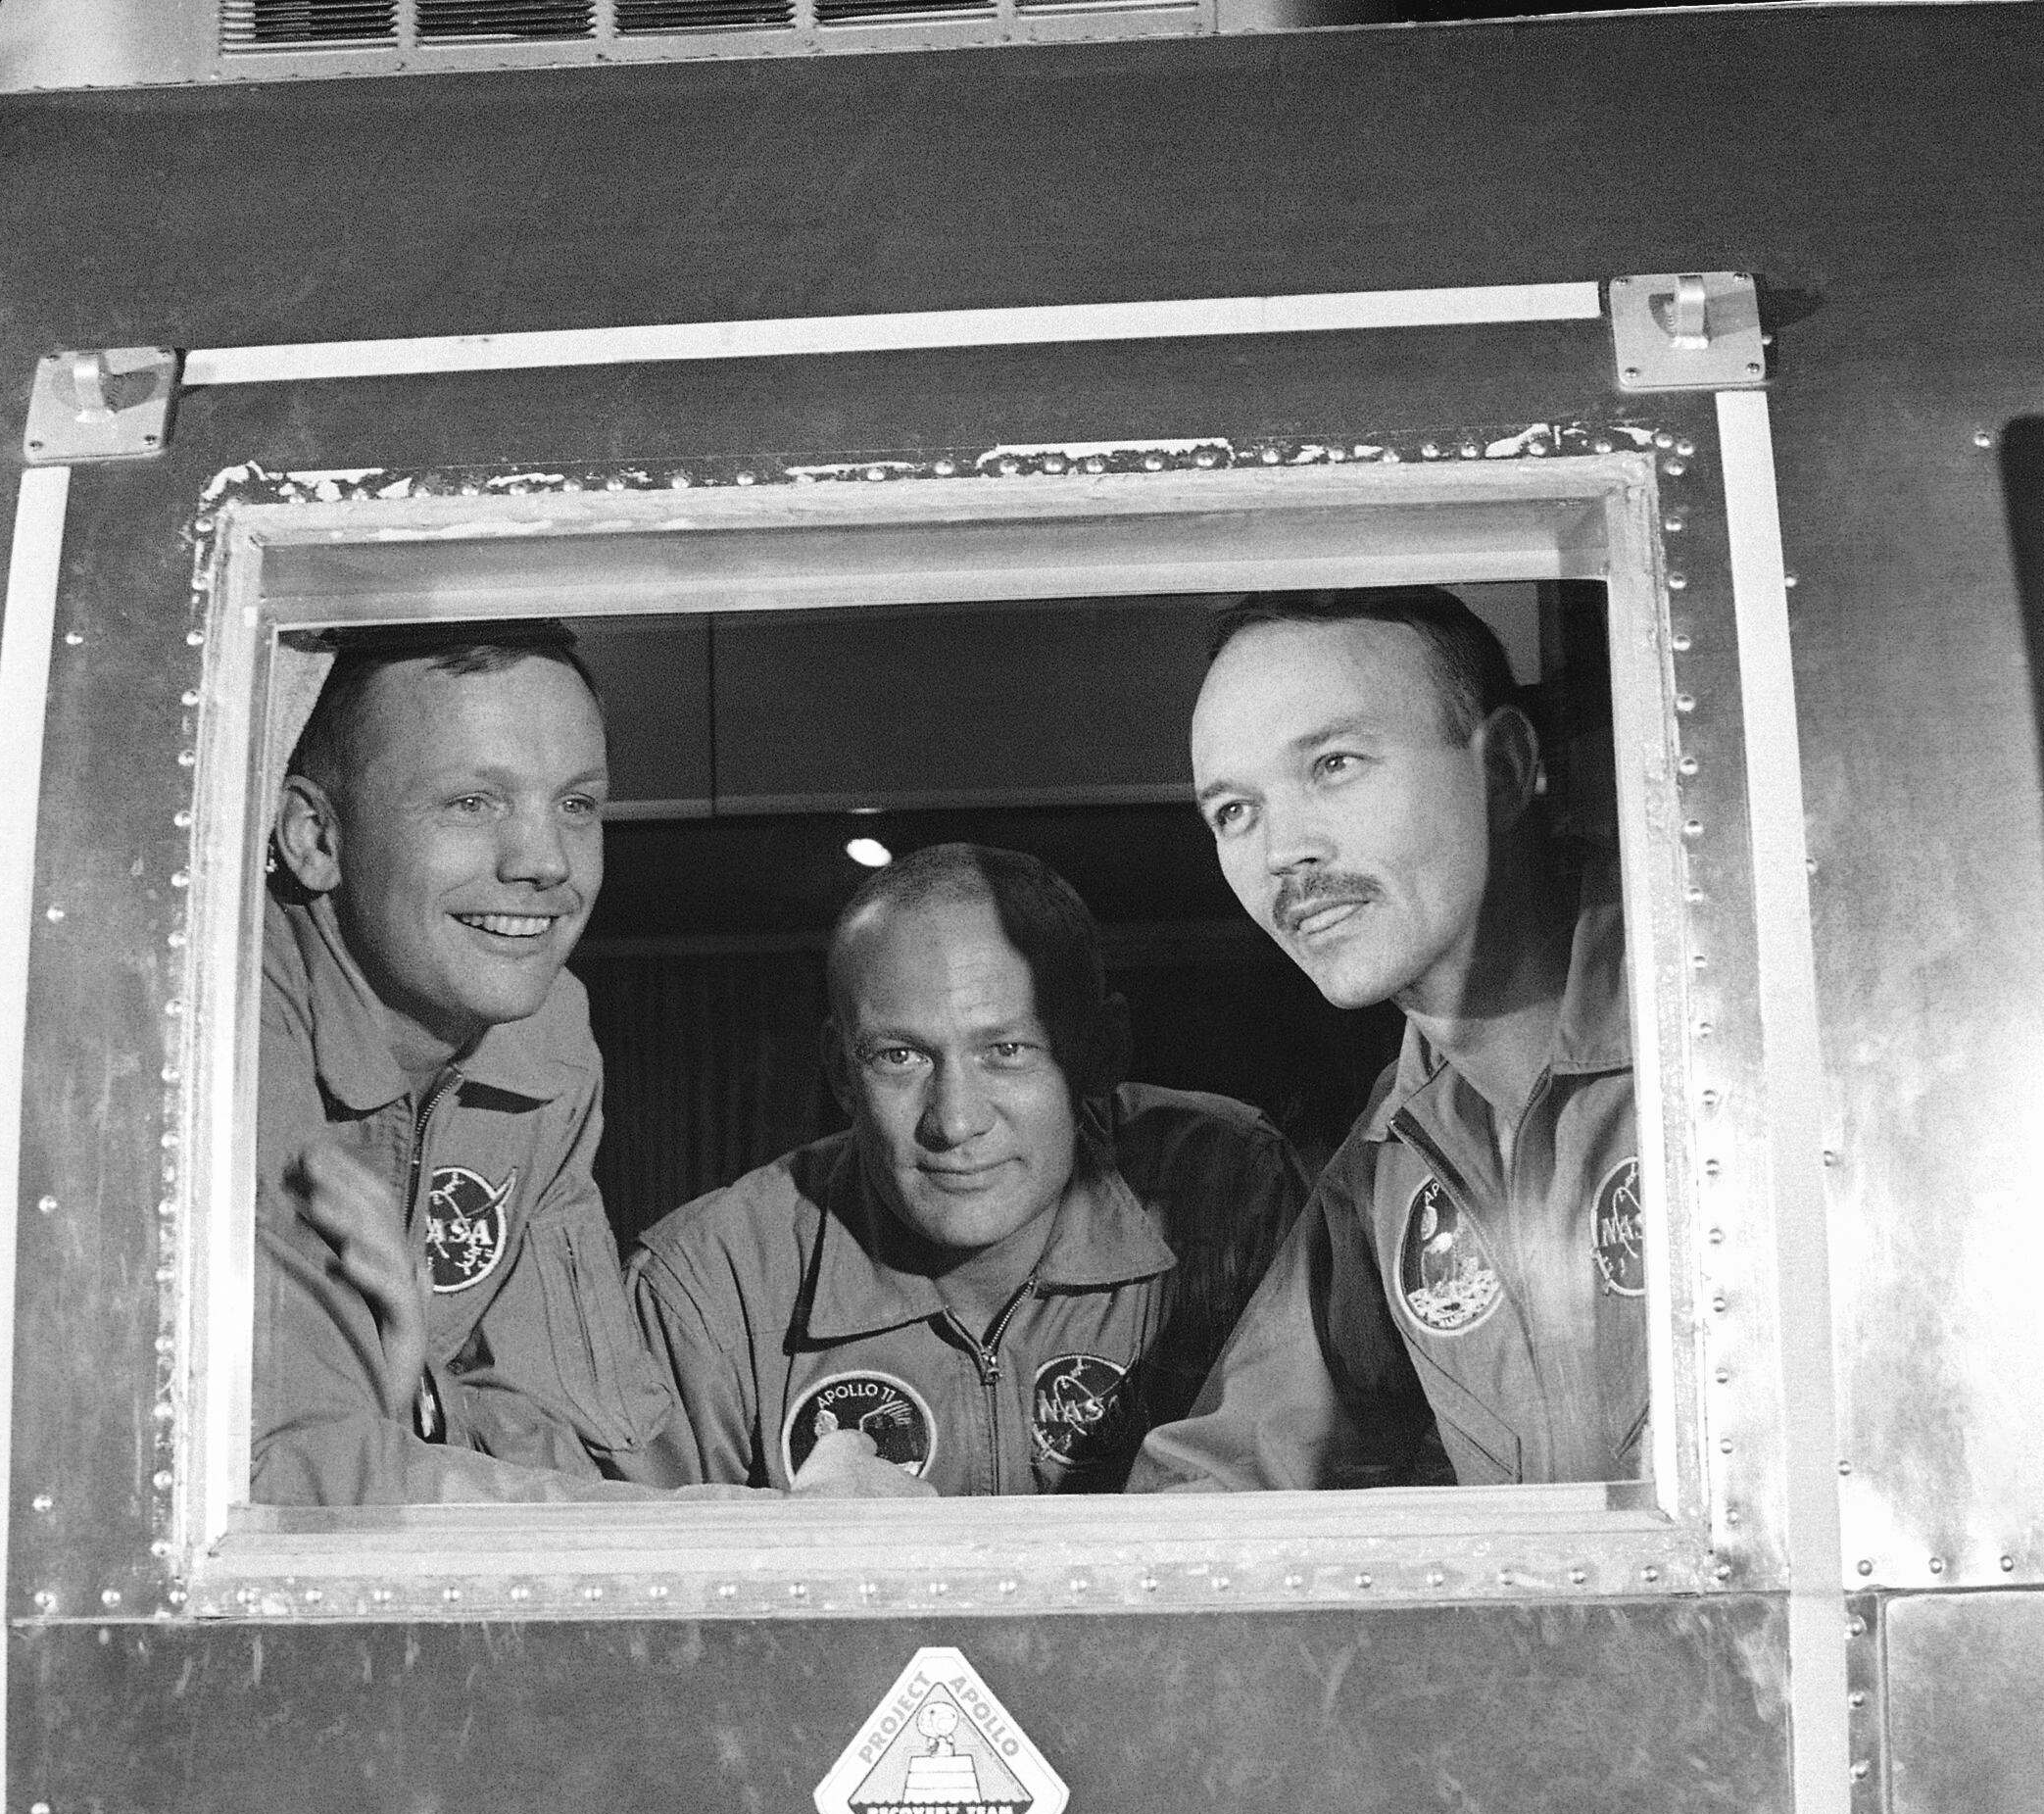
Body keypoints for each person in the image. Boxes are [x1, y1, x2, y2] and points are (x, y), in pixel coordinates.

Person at [254, 620, 920, 1504]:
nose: (545, 863)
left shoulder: (545, 1045)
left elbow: (570, 1438)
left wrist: (414, 1395)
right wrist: (768, 1536)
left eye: (575, 804)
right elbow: (286, 1484)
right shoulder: (226, 1018)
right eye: (471, 803)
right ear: (316, 837)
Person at [1130, 587, 1646, 1492]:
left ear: (1504, 768)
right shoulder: (1388, 1152)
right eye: (1234, 811)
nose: (1284, 849)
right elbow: (1229, 1473)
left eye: (1333, 762)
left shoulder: (1719, 1036)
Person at [615, 844, 1308, 1495]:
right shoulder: (713, 1281)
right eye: (899, 1056)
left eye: (1005, 1049)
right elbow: (620, 1591)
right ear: (839, 1072)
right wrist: (788, 1544)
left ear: (1101, 1050)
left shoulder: (1224, 1189)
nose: (953, 1120)